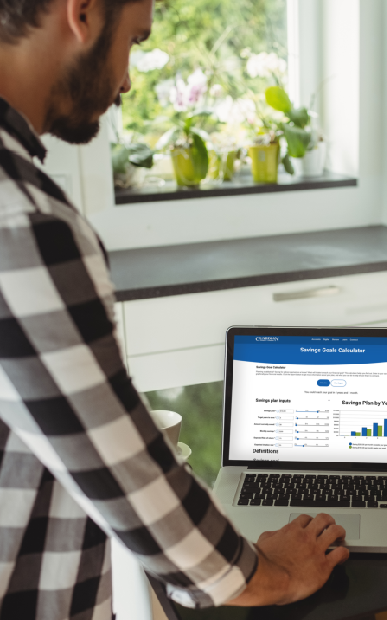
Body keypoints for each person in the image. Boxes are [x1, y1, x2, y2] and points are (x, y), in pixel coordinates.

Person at [0, 1, 348, 618]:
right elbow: (127, 476)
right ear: (81, 14)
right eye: (133, 41)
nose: (130, 79)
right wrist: (269, 575)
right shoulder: (25, 224)